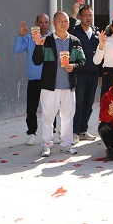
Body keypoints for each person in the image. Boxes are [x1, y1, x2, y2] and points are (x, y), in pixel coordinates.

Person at [31, 11, 86, 157]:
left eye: (66, 21)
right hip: (50, 87)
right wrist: (38, 46)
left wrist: (74, 66)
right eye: (60, 21)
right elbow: (37, 61)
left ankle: (66, 145)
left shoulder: (74, 41)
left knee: (68, 118)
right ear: (54, 23)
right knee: (48, 118)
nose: (63, 23)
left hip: (68, 87)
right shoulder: (46, 41)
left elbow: (82, 61)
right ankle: (46, 145)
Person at [14, 13, 51, 146]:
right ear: (36, 24)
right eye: (41, 22)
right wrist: (21, 35)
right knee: (31, 108)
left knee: (50, 108)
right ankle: (31, 133)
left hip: (49, 78)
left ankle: (52, 132)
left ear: (49, 24)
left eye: (46, 22)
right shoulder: (30, 39)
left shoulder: (53, 38)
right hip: (34, 79)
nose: (43, 25)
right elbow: (16, 50)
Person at [69, 4, 101, 143]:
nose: (88, 18)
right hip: (79, 73)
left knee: (88, 104)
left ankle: (83, 130)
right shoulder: (75, 31)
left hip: (93, 73)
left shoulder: (96, 32)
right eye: (85, 15)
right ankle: (74, 132)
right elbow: (67, 32)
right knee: (78, 103)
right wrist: (73, 14)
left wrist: (100, 74)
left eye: (90, 15)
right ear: (80, 17)